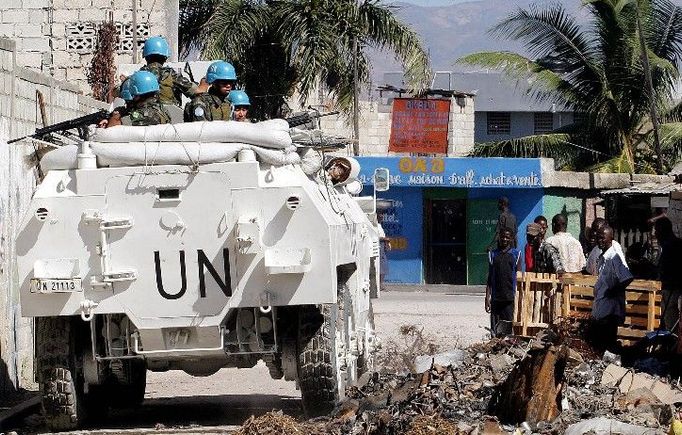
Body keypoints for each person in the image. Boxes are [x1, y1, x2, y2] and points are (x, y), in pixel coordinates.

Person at [589, 225, 633, 354]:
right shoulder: (603, 257)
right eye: (598, 238)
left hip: (610, 311)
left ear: (611, 239)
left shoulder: (613, 257)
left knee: (607, 345)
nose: (599, 241)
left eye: (603, 238)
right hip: (602, 308)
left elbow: (627, 277)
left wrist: (614, 291)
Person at [140, 36, 199, 107]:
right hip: (169, 116)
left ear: (146, 57)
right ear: (165, 57)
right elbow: (196, 91)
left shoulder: (137, 77)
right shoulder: (172, 75)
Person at [485, 227, 521, 337]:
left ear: (511, 239)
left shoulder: (516, 255)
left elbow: (519, 278)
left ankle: (506, 350)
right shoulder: (493, 254)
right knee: (495, 330)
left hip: (510, 297)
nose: (504, 239)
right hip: (496, 298)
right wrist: (487, 297)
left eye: (507, 237)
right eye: (502, 237)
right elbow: (490, 278)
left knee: (508, 328)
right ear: (499, 238)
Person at [105, 71, 171, 127]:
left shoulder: (146, 115)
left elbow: (112, 125)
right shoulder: (161, 108)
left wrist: (117, 114)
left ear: (137, 96)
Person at [655, 217, 682, 330]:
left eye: (656, 230)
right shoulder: (672, 245)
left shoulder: (670, 246)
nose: (655, 234)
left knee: (671, 323)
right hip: (672, 289)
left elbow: (665, 269)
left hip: (672, 291)